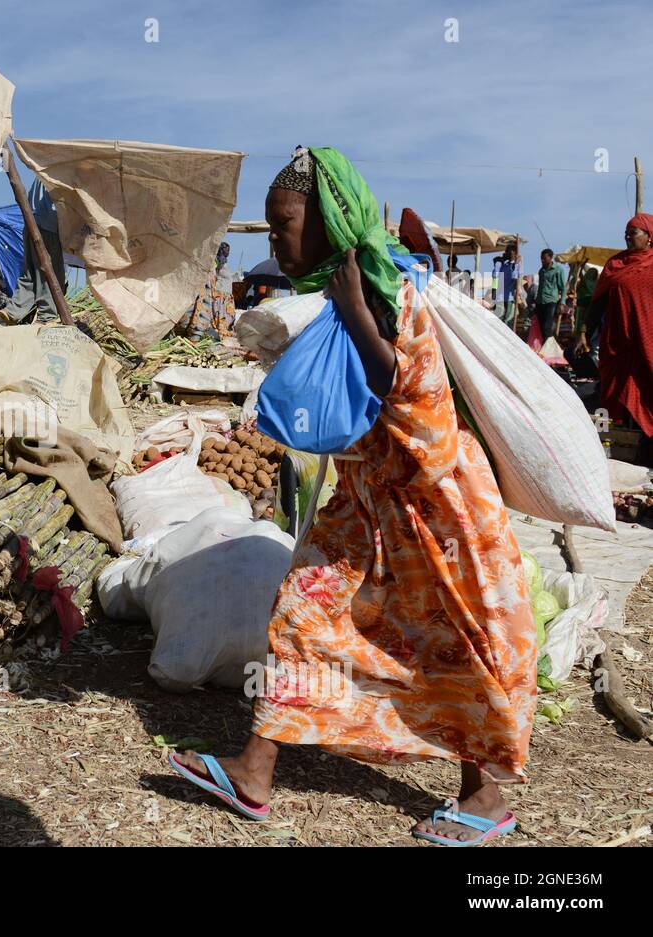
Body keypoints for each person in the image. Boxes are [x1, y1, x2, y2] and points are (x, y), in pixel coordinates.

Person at [168, 147, 536, 846]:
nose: (275, 239)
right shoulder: (339, 287)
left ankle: (483, 794)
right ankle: (254, 770)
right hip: (369, 503)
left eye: (284, 224)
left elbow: (420, 400)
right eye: (273, 227)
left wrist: (355, 314)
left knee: (454, 644)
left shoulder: (387, 282)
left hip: (436, 508)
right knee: (301, 611)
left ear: (330, 218)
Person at [592, 214, 653, 461]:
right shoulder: (614, 265)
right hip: (617, 344)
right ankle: (608, 448)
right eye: (626, 233)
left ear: (649, 236)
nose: (628, 237)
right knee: (611, 395)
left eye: (634, 233)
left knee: (647, 389)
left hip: (647, 342)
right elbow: (597, 303)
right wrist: (584, 332)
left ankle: (646, 450)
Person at [4, 178, 67, 323]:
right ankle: (47, 317)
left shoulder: (42, 169)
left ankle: (12, 312)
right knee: (51, 274)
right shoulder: (61, 169)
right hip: (48, 226)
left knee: (30, 274)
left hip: (30, 224)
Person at [179, 242, 236, 338]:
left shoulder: (218, 263)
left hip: (219, 294)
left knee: (211, 309)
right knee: (213, 310)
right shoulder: (218, 263)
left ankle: (200, 329)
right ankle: (202, 328)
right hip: (218, 294)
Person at [534, 249, 566, 342]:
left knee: (547, 328)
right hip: (540, 302)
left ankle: (549, 347)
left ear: (550, 258)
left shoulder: (558, 270)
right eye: (541, 259)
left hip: (551, 301)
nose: (542, 260)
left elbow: (563, 288)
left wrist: (562, 303)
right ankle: (543, 347)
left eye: (544, 258)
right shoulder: (541, 271)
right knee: (540, 328)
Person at [495, 243, 521, 326]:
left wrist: (516, 265)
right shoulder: (503, 265)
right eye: (507, 252)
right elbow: (495, 275)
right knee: (499, 320)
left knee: (507, 321)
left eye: (510, 252)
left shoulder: (518, 265)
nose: (507, 254)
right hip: (500, 297)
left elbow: (515, 278)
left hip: (509, 298)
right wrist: (499, 262)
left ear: (514, 254)